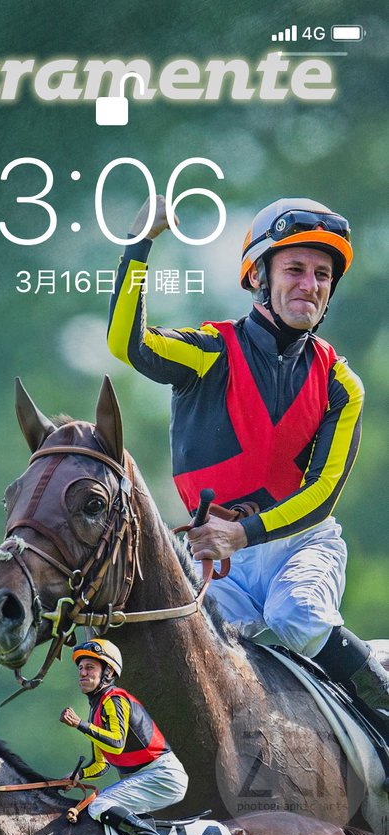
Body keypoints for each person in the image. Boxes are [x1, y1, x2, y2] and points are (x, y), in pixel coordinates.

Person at [107, 195, 389, 735]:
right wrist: (138, 246)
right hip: (219, 562)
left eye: (323, 275)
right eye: (295, 269)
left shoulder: (341, 384)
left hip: (300, 543)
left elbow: (323, 493)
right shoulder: (210, 350)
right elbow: (128, 343)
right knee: (187, 657)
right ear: (259, 275)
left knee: (296, 616)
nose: (310, 284)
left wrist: (245, 532)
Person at [59, 638, 188, 835]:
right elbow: (102, 763)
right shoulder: (95, 712)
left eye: (90, 668)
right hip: (148, 776)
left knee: (100, 805)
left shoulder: (114, 698)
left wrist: (80, 725)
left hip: (162, 774)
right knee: (99, 806)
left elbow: (117, 742)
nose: (82, 673)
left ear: (108, 672)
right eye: (80, 668)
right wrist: (79, 776)